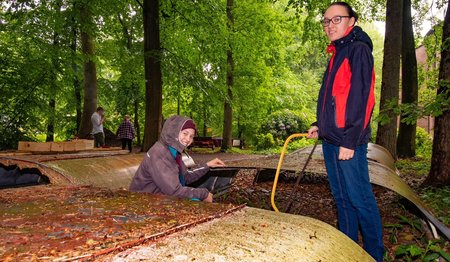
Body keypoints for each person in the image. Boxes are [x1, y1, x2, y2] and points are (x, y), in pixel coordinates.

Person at [307, 2, 384, 261]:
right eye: (326, 21)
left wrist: (350, 141)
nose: (330, 25)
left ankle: (375, 255)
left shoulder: (358, 50)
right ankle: (348, 252)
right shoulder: (336, 53)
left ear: (351, 21)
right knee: (341, 199)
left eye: (336, 19)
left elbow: (363, 100)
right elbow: (335, 98)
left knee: (360, 198)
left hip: (348, 142)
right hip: (332, 140)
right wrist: (321, 125)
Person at [129, 115, 225, 202]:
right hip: (143, 202)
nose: (188, 139)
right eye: (185, 133)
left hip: (157, 198)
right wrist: (204, 194)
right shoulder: (160, 153)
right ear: (173, 132)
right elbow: (174, 191)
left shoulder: (173, 152)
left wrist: (207, 165)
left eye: (191, 136)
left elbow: (185, 176)